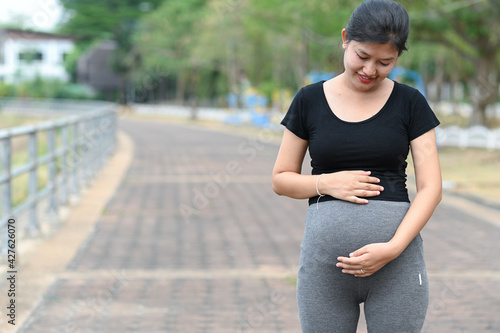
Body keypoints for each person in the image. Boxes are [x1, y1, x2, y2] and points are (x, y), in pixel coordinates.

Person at [271, 0, 442, 332]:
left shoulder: (411, 103)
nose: (370, 70)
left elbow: (432, 189)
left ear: (398, 58)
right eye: (362, 56)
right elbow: (281, 179)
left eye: (385, 62)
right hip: (325, 270)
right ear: (346, 38)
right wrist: (326, 183)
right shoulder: (308, 100)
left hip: (397, 266)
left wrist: (392, 248)